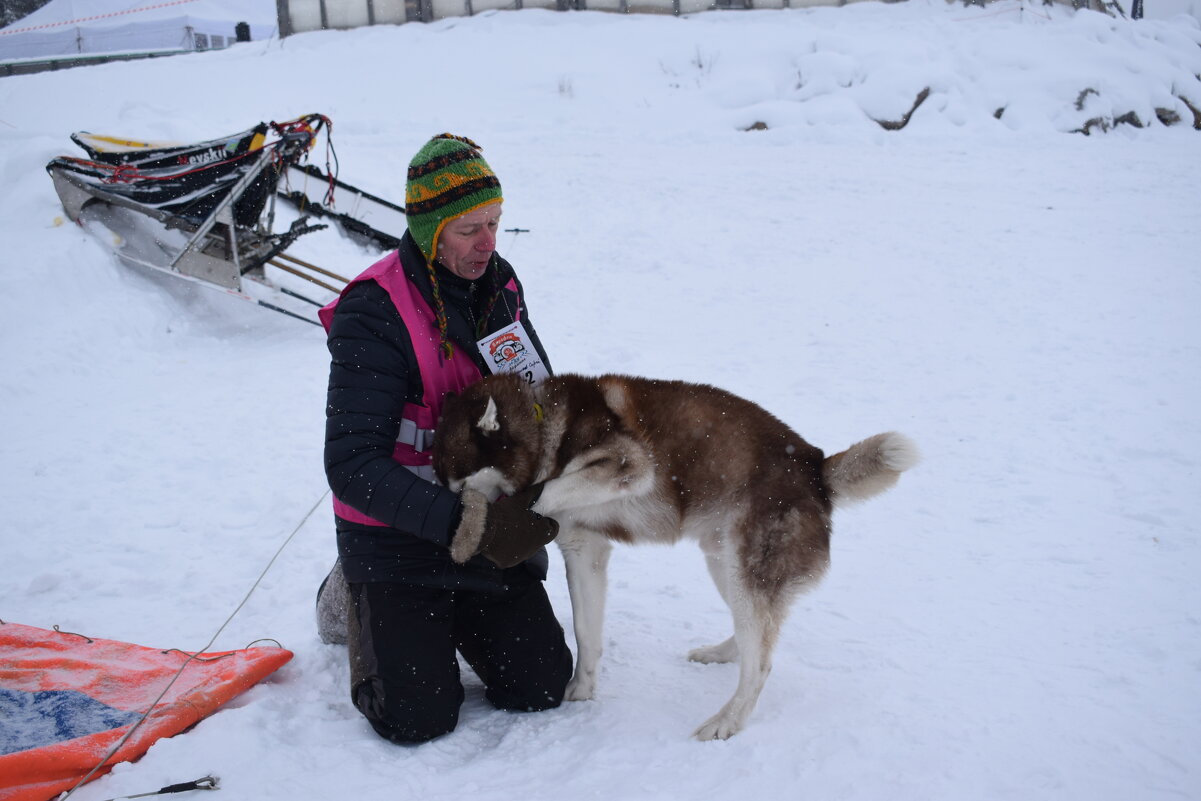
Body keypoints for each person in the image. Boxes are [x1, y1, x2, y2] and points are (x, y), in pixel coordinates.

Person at [315, 133, 573, 744]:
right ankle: (343, 595)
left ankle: (449, 611)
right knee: (416, 718)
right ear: (430, 231)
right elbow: (352, 465)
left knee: (539, 686)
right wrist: (468, 523)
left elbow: (537, 400)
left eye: (495, 223)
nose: (488, 242)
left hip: (481, 522)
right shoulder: (373, 311)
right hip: (394, 531)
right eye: (468, 229)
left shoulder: (500, 290)